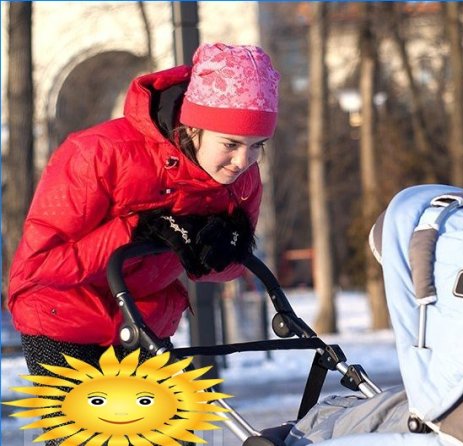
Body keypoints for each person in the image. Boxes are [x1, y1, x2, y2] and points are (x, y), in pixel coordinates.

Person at [8, 43, 280, 384]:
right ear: (193, 127)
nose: (244, 161)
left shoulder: (241, 178)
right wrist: (136, 230)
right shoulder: (99, 155)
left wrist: (225, 248)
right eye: (231, 144)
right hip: (63, 319)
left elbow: (225, 269)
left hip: (142, 321)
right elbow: (37, 268)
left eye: (258, 145)